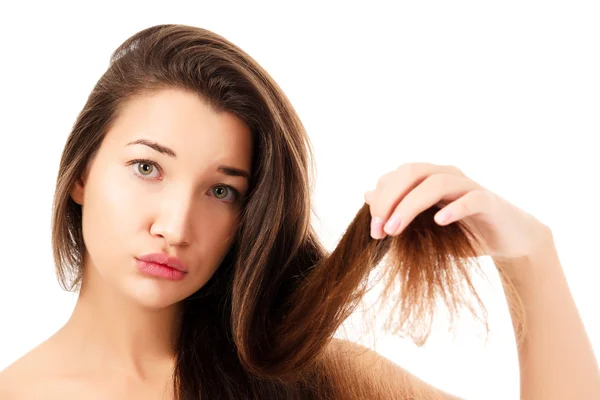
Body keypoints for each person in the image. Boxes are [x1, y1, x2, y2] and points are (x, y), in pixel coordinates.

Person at [0, 24, 598, 400]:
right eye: (147, 168)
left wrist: (531, 254)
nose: (176, 227)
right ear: (79, 174)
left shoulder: (310, 377)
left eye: (222, 190)